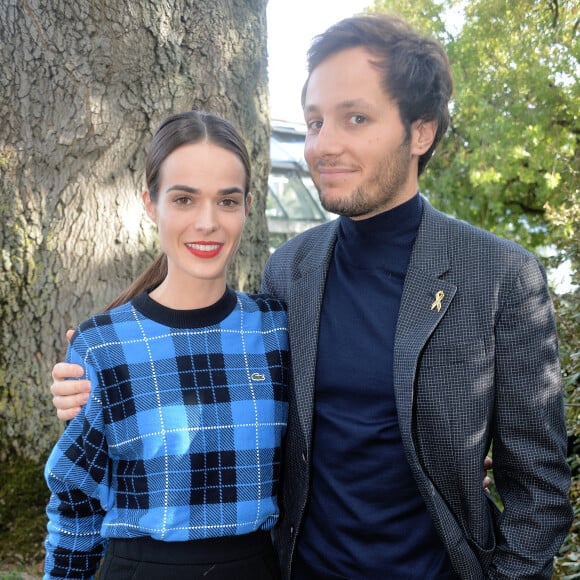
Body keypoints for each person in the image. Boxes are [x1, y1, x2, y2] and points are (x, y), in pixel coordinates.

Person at [50, 14, 572, 580]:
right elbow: (217, 368)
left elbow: (539, 492)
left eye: (355, 118)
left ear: (420, 131)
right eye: (316, 121)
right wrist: (98, 373)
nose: (325, 144)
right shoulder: (290, 272)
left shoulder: (500, 277)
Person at [43, 110, 288, 580]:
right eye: (184, 199)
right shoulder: (102, 345)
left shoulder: (275, 331)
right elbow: (75, 499)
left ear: (247, 207)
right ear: (151, 204)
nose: (207, 222)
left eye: (227, 201)